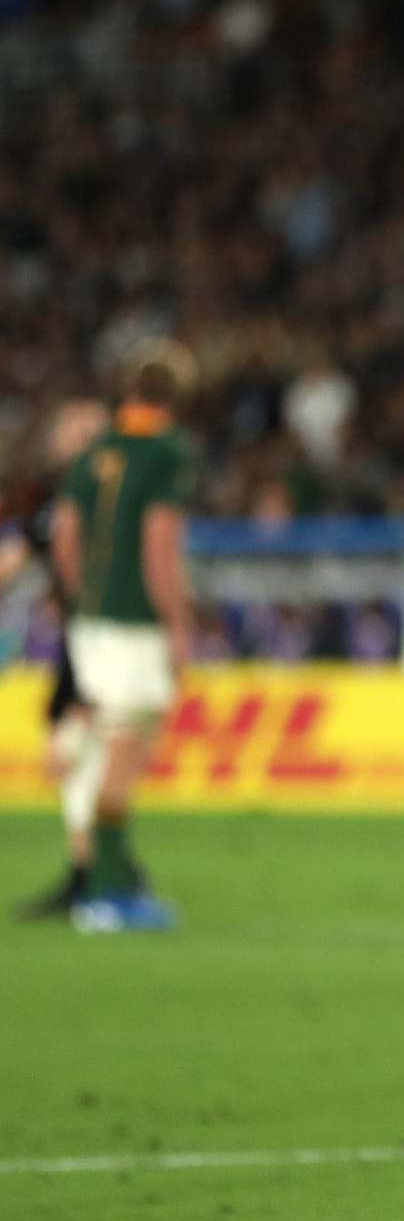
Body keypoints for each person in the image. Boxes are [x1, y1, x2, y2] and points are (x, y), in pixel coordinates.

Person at [48, 349, 200, 934]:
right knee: (125, 749)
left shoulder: (96, 451)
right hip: (136, 622)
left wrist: (84, 598)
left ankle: (100, 880)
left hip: (90, 622)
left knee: (102, 741)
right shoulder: (166, 453)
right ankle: (108, 893)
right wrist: (178, 622)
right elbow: (160, 540)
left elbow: (65, 532)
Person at [7, 398, 114, 920]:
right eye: (70, 429)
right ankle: (94, 871)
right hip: (79, 642)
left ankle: (98, 874)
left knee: (77, 751)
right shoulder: (56, 504)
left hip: (104, 643)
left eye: (87, 429)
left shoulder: (112, 503)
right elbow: (16, 557)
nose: (75, 438)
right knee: (76, 760)